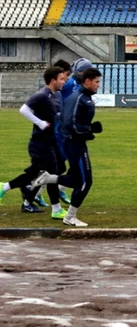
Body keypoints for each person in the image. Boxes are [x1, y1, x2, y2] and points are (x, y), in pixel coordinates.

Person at [32, 67, 103, 227]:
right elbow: (69, 124)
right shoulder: (78, 98)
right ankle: (70, 217)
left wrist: (88, 130)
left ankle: (48, 178)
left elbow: (75, 122)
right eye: (97, 82)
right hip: (73, 144)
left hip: (75, 142)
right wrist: (89, 129)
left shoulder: (84, 97)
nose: (98, 85)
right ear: (87, 81)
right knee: (85, 182)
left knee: (77, 179)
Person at [0, 66, 67, 219]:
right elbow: (23, 109)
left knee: (41, 172)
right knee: (51, 174)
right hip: (40, 142)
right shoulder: (42, 95)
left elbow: (56, 114)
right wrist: (40, 123)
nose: (64, 81)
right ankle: (55, 209)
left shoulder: (56, 95)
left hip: (51, 141)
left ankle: (5, 187)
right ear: (52, 80)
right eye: (62, 79)